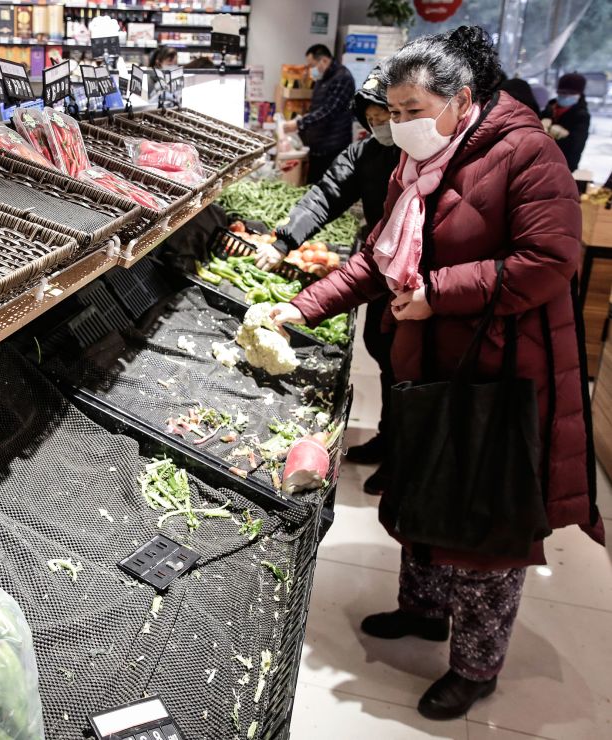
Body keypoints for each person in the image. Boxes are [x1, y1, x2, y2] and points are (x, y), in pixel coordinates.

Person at [270, 26, 605, 720]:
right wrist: (302, 307)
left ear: (464, 99)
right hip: (430, 367)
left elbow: (548, 261)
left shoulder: (527, 154)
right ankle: (421, 609)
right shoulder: (414, 164)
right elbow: (376, 257)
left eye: (415, 108)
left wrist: (437, 294)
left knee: (485, 519)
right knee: (426, 489)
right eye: (393, 110)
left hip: (502, 372)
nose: (402, 124)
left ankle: (478, 665)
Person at [255, 68, 401, 492]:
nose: (380, 126)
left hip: (415, 279)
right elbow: (326, 194)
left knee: (406, 367)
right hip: (379, 271)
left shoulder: (421, 159)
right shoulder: (367, 154)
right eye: (372, 119)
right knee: (384, 352)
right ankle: (387, 438)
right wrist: (284, 241)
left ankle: (400, 458)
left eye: (386, 117)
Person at [282, 44, 356, 184]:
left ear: (324, 61)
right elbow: (317, 108)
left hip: (333, 146)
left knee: (327, 188)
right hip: (319, 144)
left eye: (312, 65)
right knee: (313, 185)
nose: (311, 70)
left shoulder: (342, 78)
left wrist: (300, 123)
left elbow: (329, 111)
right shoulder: (323, 77)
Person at [540, 72, 590, 172]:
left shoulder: (581, 115)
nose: (565, 96)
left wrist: (551, 136)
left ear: (579, 94)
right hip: (540, 161)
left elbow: (576, 145)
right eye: (561, 93)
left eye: (569, 93)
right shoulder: (549, 108)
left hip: (564, 165)